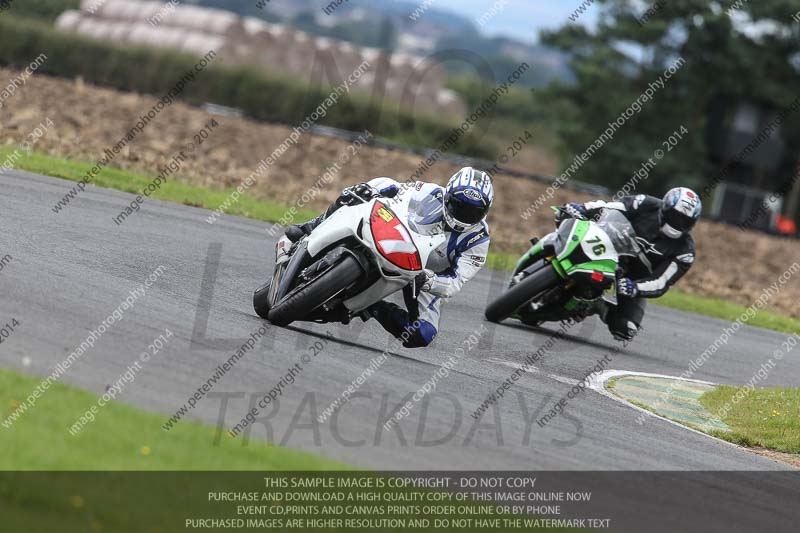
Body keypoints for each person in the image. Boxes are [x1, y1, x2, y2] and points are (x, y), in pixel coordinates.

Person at [277, 167, 494, 348]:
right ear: (448, 196)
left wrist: (427, 280)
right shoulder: (428, 192)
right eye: (460, 206)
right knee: (355, 194)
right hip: (395, 236)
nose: (463, 215)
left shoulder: (478, 241)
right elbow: (395, 189)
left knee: (422, 335)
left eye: (473, 213)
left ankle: (371, 306)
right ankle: (309, 227)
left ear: (484, 213)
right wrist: (370, 190)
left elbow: (455, 283)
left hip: (423, 274)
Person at [558, 187, 701, 340]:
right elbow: (613, 206)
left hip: (631, 279)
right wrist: (584, 208)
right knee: (567, 219)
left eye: (684, 221)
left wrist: (635, 288)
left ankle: (597, 305)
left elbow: (661, 281)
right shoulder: (647, 203)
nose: (677, 223)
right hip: (607, 247)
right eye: (674, 216)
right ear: (665, 208)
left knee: (626, 328)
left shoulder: (685, 252)